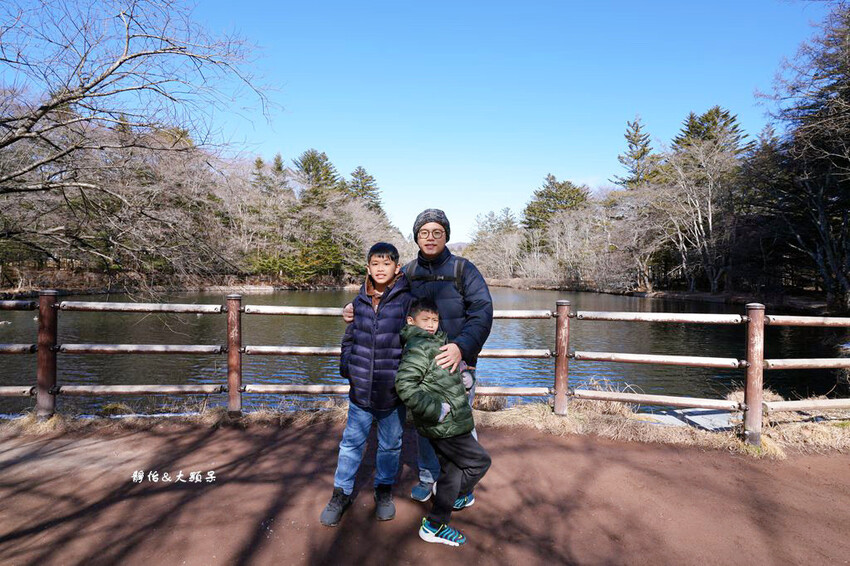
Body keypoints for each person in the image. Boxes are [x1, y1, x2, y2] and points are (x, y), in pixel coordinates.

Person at [343, 209, 493, 502]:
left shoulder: (464, 270)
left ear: (446, 235)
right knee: (426, 425)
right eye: (424, 232)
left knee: (459, 427)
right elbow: (381, 295)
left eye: (437, 232)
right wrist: (352, 307)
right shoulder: (409, 272)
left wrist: (461, 346)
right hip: (423, 366)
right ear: (416, 237)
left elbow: (482, 312)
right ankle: (428, 477)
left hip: (457, 362)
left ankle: (463, 486)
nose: (430, 237)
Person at [320, 242, 413, 527]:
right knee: (350, 444)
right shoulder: (359, 301)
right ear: (368, 268)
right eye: (376, 263)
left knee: (389, 445)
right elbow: (349, 337)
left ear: (397, 268)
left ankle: (383, 491)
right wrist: (348, 368)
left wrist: (405, 380)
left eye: (387, 264)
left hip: (392, 391)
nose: (381, 268)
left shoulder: (407, 301)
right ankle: (341, 493)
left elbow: (415, 342)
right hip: (360, 390)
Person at [395, 297, 491, 547]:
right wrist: (435, 409)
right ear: (411, 321)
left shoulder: (435, 342)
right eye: (425, 319)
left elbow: (437, 376)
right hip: (443, 424)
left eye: (434, 320)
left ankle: (436, 521)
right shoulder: (418, 346)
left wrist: (463, 376)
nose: (430, 324)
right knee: (479, 462)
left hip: (450, 421)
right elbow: (404, 385)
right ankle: (445, 502)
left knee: (453, 469)